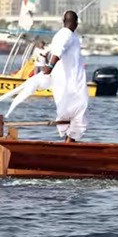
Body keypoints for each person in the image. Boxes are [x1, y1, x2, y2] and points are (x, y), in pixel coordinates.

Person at [43, 11, 89, 142]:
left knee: (74, 111)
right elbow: (58, 52)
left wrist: (50, 66)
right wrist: (50, 67)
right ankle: (69, 143)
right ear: (75, 23)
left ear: (64, 21)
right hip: (71, 83)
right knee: (79, 108)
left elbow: (55, 52)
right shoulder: (66, 35)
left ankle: (69, 142)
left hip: (70, 81)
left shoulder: (63, 34)